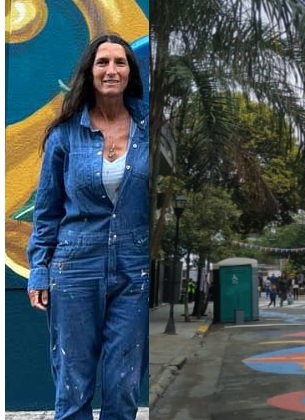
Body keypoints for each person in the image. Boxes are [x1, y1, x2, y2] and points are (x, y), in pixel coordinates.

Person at [26, 34, 148, 420]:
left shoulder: (151, 129)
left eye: (120, 62)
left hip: (135, 269)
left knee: (123, 383)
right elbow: (46, 211)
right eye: (102, 62)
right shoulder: (65, 135)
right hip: (75, 265)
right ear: (90, 72)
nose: (111, 70)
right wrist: (38, 271)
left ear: (130, 71)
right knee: (73, 383)